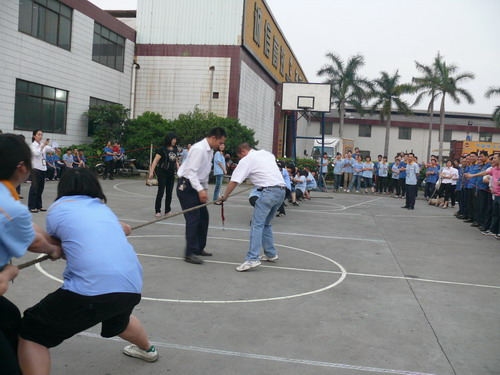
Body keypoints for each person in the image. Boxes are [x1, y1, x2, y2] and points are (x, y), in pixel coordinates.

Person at [18, 168, 158, 375]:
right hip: (131, 288)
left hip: (89, 292)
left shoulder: (58, 207)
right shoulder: (102, 209)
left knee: (31, 332)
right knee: (120, 318)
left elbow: (57, 243)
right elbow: (118, 229)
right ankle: (148, 349)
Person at [0, 134, 62, 374]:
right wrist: (52, 249)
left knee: (9, 315)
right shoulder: (11, 206)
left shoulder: (9, 201)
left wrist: (50, 240)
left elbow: (29, 231)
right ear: (22, 167)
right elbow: (33, 241)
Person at [220, 143, 285, 272]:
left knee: (257, 225)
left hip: (268, 192)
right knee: (265, 223)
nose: (240, 158)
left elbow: (234, 181)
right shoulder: (266, 153)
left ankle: (252, 259)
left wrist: (225, 196)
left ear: (243, 151)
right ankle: (271, 254)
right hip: (281, 191)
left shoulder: (247, 160)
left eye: (239, 156)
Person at [176, 128, 226, 264]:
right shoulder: (199, 149)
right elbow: (191, 172)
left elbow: (203, 173)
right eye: (220, 142)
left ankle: (198, 247)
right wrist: (200, 190)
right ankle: (189, 253)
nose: (221, 145)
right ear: (214, 138)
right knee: (193, 218)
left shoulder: (210, 151)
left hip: (197, 186)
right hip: (187, 187)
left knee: (204, 217)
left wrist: (204, 189)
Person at [465, 153, 500, 239]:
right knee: (496, 214)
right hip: (496, 195)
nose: (492, 160)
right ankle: (493, 230)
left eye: (494, 158)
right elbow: (484, 173)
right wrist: (472, 175)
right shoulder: (494, 169)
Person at [149, 133, 180, 217]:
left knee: (169, 192)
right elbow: (155, 161)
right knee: (161, 191)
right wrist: (151, 172)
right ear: (169, 139)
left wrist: (179, 170)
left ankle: (167, 210)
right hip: (162, 172)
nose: (175, 141)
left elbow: (176, 160)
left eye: (175, 139)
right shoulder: (162, 149)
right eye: (173, 139)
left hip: (171, 173)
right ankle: (157, 210)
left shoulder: (175, 149)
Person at [28, 129, 56, 213]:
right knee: (34, 188)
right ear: (34, 136)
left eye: (41, 135)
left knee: (40, 188)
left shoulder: (43, 145)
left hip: (43, 168)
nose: (40, 136)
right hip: (36, 168)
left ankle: (39, 205)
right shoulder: (32, 146)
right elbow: (36, 153)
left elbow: (52, 150)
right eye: (39, 134)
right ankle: (32, 206)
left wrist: (55, 148)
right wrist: (43, 146)